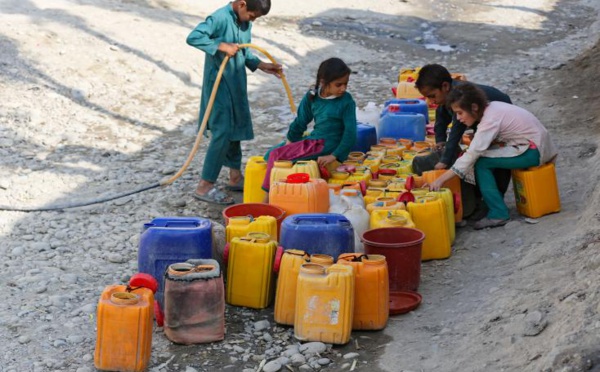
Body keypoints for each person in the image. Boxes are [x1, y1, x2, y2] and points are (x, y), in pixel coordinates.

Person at [187, 0, 282, 205]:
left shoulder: (244, 21)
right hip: (219, 86)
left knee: (235, 129)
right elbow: (193, 37)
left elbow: (244, 51)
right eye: (252, 15)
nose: (252, 20)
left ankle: (235, 177)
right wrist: (220, 45)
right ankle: (204, 185)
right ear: (241, 4)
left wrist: (262, 65)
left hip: (236, 82)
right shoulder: (220, 18)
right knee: (222, 132)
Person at [427, 82, 557, 230]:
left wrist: (440, 180)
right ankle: (490, 204)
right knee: (481, 156)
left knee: (481, 163)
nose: (459, 118)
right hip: (533, 144)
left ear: (474, 107)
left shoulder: (489, 120)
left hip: (533, 150)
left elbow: (472, 155)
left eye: (460, 113)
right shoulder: (492, 107)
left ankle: (498, 213)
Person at [413, 63, 514, 220]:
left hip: (499, 120)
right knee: (479, 156)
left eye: (432, 96)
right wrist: (440, 141)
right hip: (482, 120)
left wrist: (445, 160)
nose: (430, 101)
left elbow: (456, 130)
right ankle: (481, 196)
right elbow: (441, 117)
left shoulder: (460, 96)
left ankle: (492, 203)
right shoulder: (447, 97)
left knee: (493, 157)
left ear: (445, 86)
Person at [261, 57, 357, 194]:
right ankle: (280, 189)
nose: (343, 88)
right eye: (338, 84)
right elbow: (300, 122)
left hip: (326, 144)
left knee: (276, 155)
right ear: (323, 82)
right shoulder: (312, 97)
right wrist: (290, 143)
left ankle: (268, 197)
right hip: (315, 140)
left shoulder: (346, 101)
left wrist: (334, 156)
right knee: (269, 154)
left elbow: (350, 134)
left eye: (345, 84)